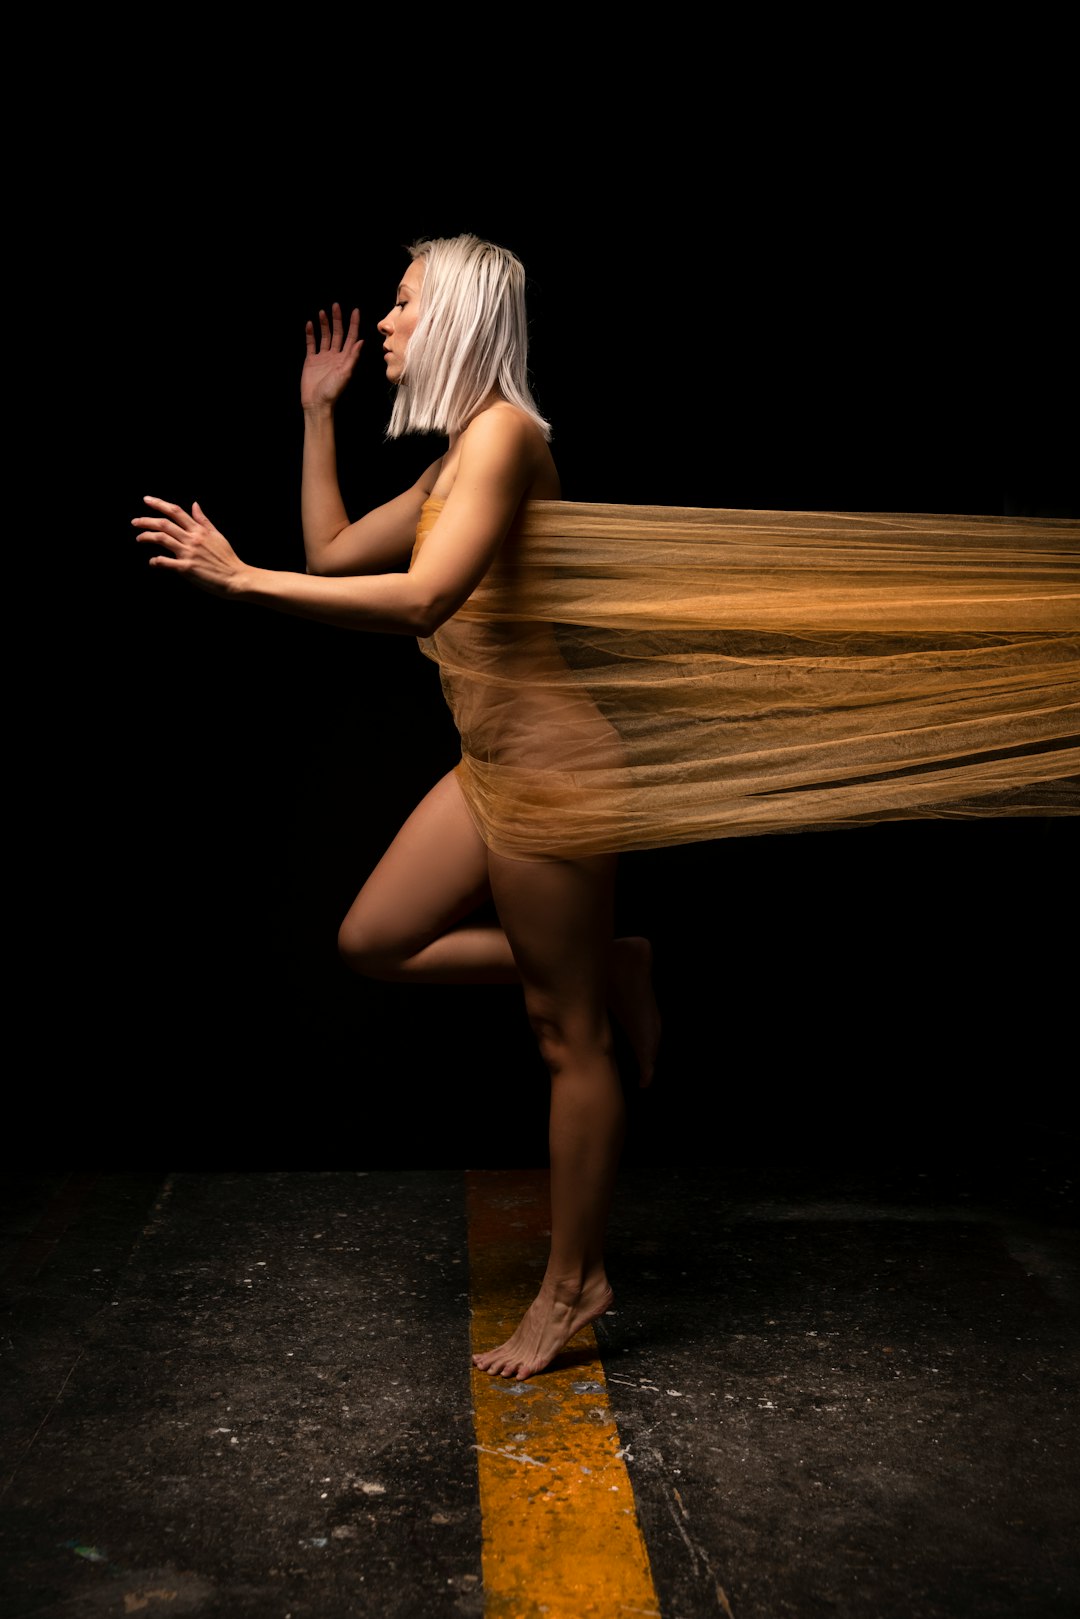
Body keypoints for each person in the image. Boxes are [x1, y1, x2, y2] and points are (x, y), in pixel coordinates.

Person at [133, 234, 662, 1382]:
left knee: (563, 1038)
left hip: (556, 773)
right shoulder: (452, 459)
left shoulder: (512, 439)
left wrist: (237, 580)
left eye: (406, 302)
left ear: (463, 315)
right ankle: (608, 961)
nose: (383, 322)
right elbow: (329, 551)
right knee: (373, 939)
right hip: (488, 764)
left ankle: (576, 1284)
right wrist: (317, 414)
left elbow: (425, 596)